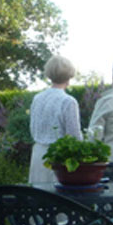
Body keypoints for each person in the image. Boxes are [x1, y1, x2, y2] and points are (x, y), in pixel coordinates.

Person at [29, 55, 82, 183]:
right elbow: (74, 137)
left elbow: (33, 129)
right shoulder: (68, 101)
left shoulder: (38, 98)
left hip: (38, 155)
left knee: (38, 197)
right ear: (69, 77)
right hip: (58, 159)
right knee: (57, 199)